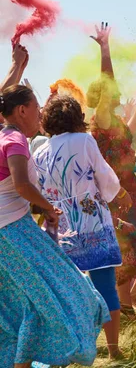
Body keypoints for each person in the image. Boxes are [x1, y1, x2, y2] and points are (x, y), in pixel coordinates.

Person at [0, 84, 109, 367]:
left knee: (24, 306)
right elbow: (22, 185)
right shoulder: (14, 139)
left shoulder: (3, 137)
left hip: (10, 232)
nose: (40, 114)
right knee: (65, 293)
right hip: (13, 233)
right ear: (21, 110)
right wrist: (48, 207)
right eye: (37, 108)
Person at [33, 94, 134, 359]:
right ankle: (113, 351)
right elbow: (103, 175)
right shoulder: (85, 141)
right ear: (78, 118)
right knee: (105, 285)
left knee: (70, 291)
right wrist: (121, 194)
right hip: (93, 223)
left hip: (61, 226)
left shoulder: (40, 151)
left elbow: (39, 189)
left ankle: (75, 348)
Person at [87, 22, 136, 312]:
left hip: (128, 189)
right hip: (114, 194)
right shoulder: (102, 120)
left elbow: (133, 125)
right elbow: (106, 80)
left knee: (131, 251)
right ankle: (112, 305)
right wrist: (105, 50)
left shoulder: (118, 122)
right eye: (111, 91)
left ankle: (122, 306)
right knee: (125, 253)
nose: (118, 92)